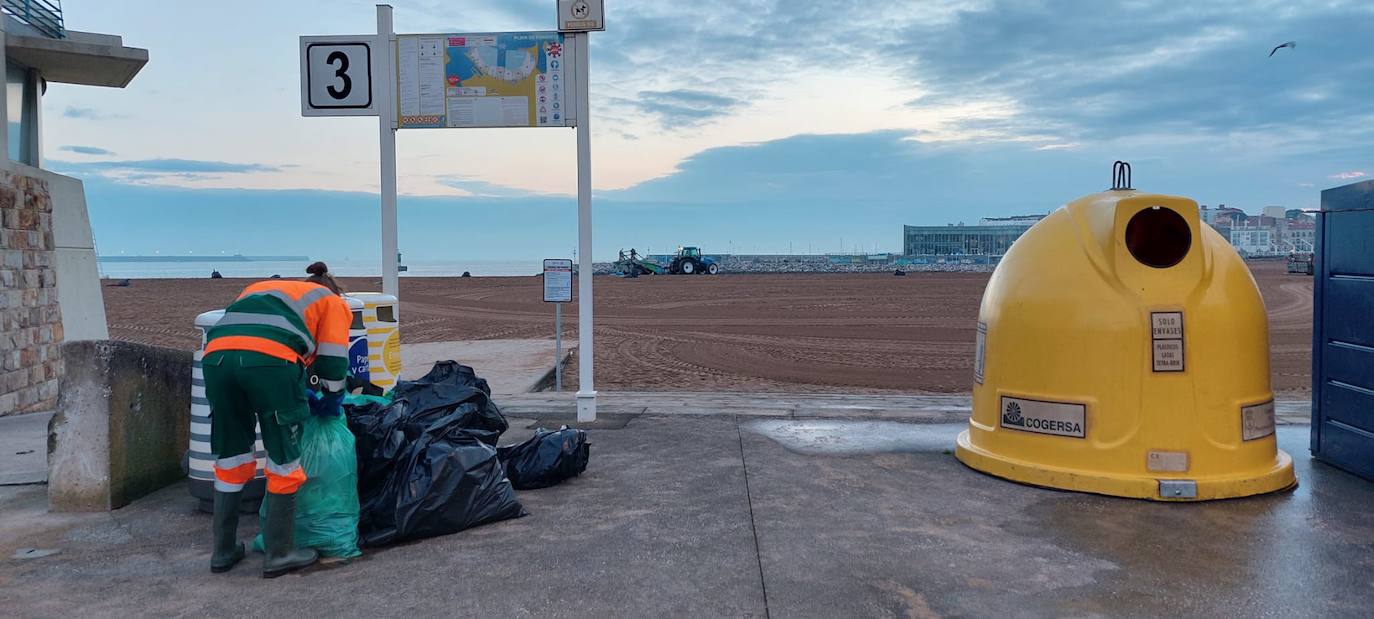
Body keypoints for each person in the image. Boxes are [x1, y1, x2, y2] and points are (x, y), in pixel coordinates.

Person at [203, 261, 351, 578]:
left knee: (230, 456)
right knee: (284, 456)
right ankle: (280, 553)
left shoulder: (263, 289)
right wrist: (332, 397)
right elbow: (334, 362)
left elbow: (253, 331)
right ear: (333, 289)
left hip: (216, 359)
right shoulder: (333, 302)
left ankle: (223, 551)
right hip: (270, 363)